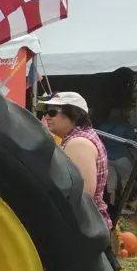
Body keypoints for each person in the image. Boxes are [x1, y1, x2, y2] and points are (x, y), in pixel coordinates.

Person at [40, 91, 112, 230]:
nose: (47, 117)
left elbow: (81, 196)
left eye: (53, 112)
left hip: (83, 228)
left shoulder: (79, 143)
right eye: (46, 112)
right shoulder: (77, 138)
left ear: (74, 114)